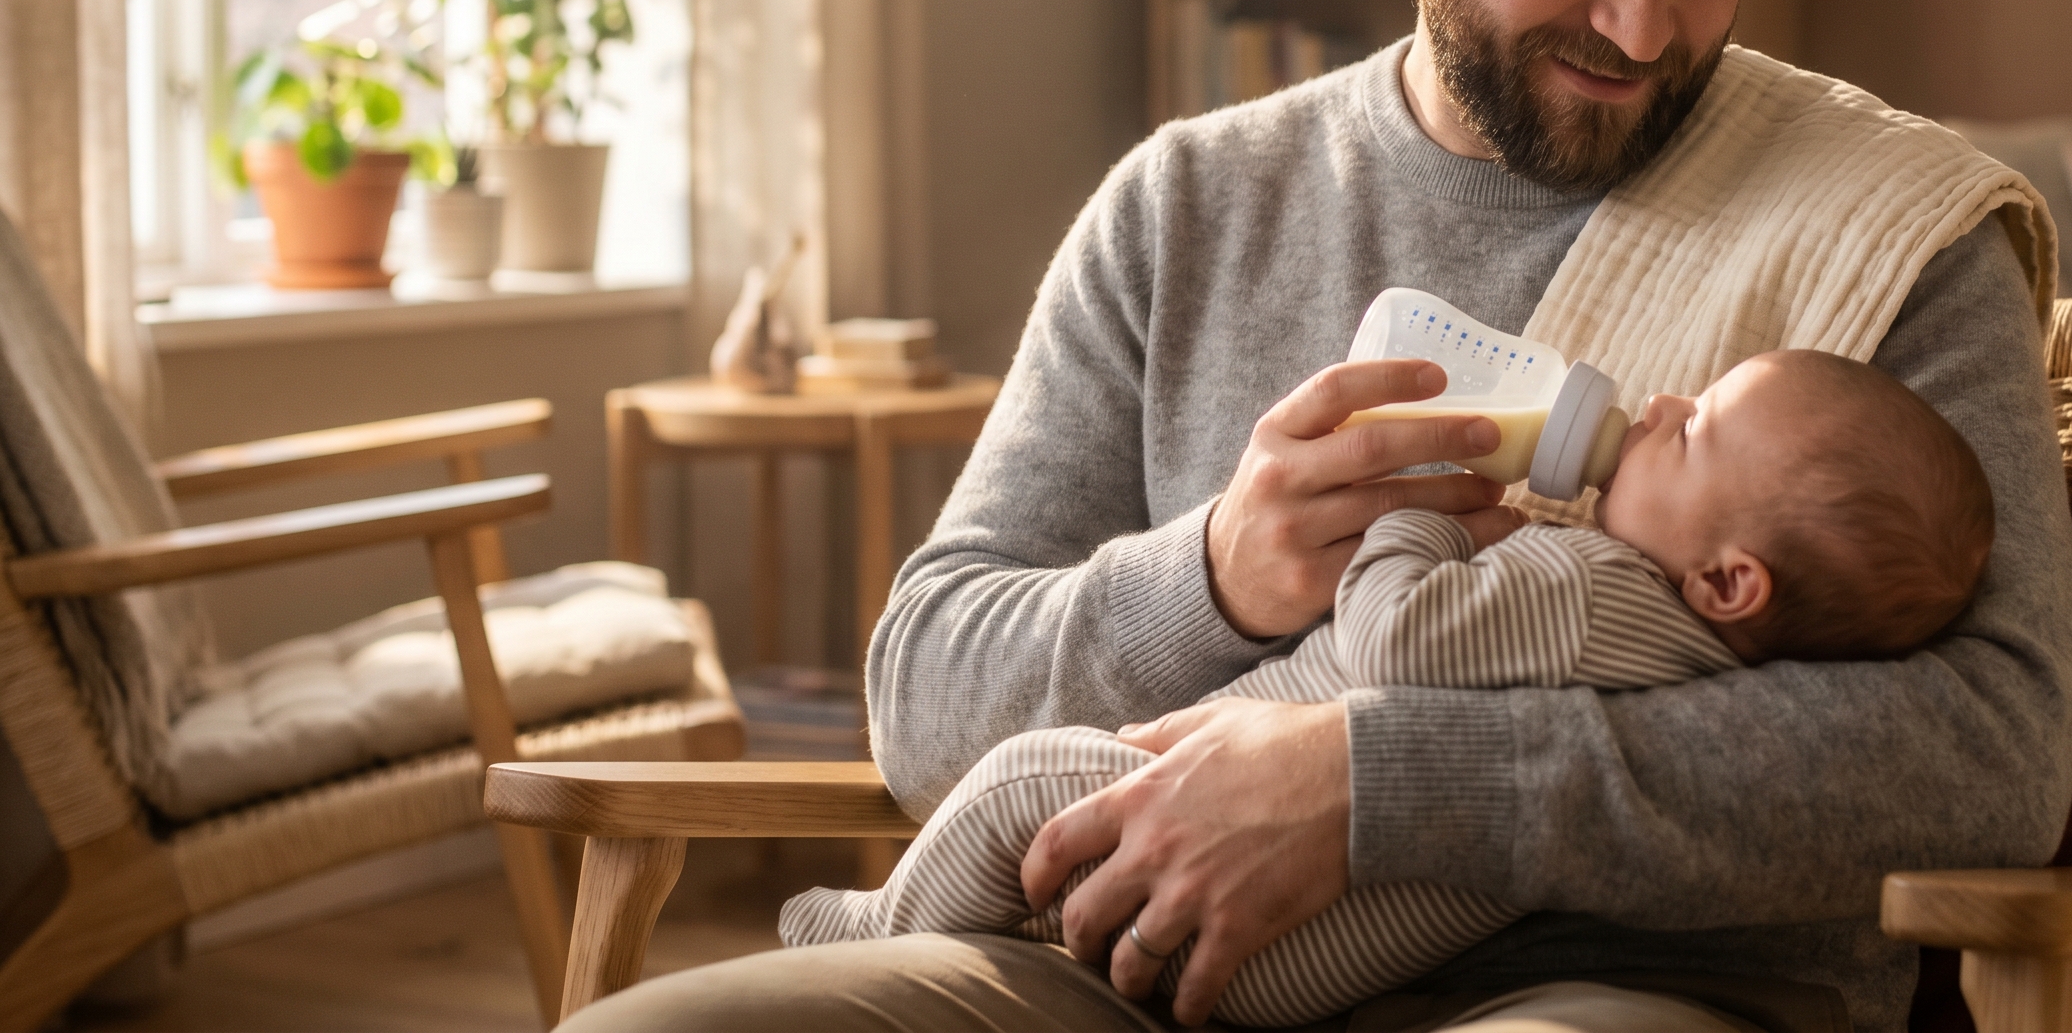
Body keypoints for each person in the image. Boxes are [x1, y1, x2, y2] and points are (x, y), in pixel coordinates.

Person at [563, 0, 2072, 1033]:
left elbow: (1991, 761)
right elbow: (926, 692)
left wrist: (1378, 787)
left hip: (1620, 985)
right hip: (1116, 973)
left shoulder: (1898, 232)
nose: (1642, 22)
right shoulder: (1185, 207)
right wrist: (1218, 575)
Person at [777, 348, 1999, 1028]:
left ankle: (881, 924)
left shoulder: (1586, 584)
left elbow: (1403, 644)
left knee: (1017, 784)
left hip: (1283, 943)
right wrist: (1214, 572)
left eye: (1694, 431)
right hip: (1311, 970)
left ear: (1730, 582)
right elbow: (925, 661)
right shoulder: (1668, 649)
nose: (1664, 401)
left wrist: (1417, 529)